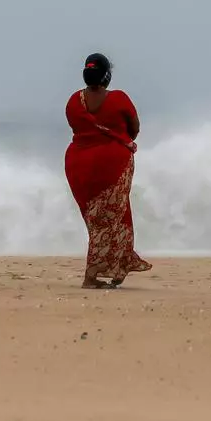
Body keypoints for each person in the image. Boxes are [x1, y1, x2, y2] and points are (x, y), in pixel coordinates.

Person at [63, 53, 151, 289]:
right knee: (115, 218)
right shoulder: (119, 99)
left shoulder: (74, 101)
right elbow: (134, 128)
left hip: (78, 166)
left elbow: (77, 127)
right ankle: (92, 276)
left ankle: (117, 268)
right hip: (113, 164)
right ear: (107, 75)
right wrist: (118, 138)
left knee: (97, 221)